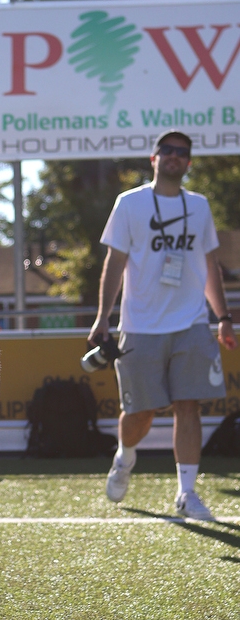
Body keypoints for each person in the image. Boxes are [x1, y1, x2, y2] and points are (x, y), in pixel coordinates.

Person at [89, 130, 237, 520]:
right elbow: (114, 264)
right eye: (166, 150)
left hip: (190, 323)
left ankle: (187, 493)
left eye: (182, 152)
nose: (174, 156)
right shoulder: (130, 203)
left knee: (189, 407)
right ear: (153, 159)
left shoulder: (200, 206)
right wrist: (103, 316)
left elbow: (209, 267)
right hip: (140, 326)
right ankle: (125, 456)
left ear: (189, 163)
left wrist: (222, 317)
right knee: (141, 413)